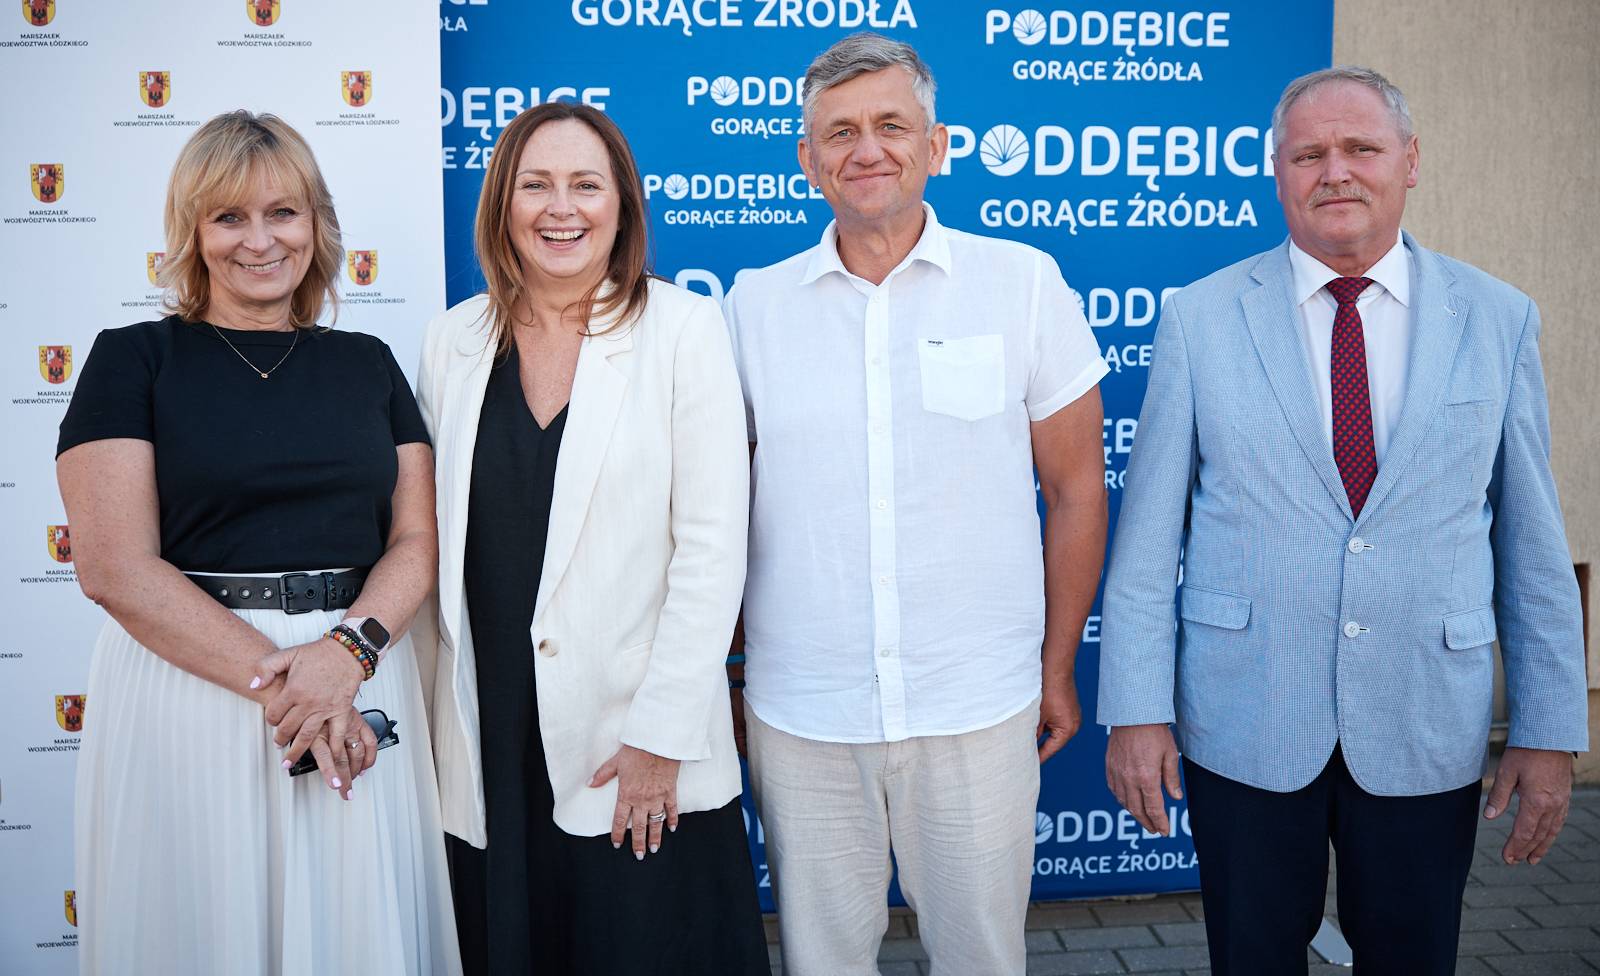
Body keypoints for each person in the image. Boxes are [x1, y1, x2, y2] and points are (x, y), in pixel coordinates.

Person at [1098, 66, 1590, 975]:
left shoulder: (1497, 317)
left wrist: (1548, 727)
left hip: (1424, 720)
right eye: (1309, 154)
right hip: (1245, 718)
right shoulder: (1200, 318)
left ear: (1411, 161)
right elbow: (1148, 543)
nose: (1336, 172)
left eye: (1362, 148)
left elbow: (1531, 545)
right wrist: (1136, 712)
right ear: (1276, 171)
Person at [724, 32, 1109, 975]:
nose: (868, 150)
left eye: (892, 126)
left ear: (935, 145)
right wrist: (729, 674)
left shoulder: (1023, 283)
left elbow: (1074, 491)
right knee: (820, 962)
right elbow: (718, 512)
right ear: (807, 159)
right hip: (804, 713)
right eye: (840, 132)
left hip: (976, 702)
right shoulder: (751, 308)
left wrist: (1058, 665)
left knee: (982, 959)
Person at [57, 111, 460, 975]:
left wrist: (347, 655)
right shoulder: (133, 359)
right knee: (205, 930)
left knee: (353, 931)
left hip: (355, 670)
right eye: (229, 217)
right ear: (192, 232)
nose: (260, 240)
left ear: (317, 224)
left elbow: (416, 539)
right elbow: (114, 567)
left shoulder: (368, 362)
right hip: (195, 686)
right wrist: (298, 687)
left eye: (283, 212)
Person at [416, 101, 768, 975]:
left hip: (630, 738)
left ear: (622, 205)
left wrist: (660, 737)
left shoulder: (682, 328)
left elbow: (713, 550)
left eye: (586, 185)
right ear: (502, 203)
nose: (560, 208)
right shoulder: (452, 340)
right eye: (535, 185)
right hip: (490, 734)